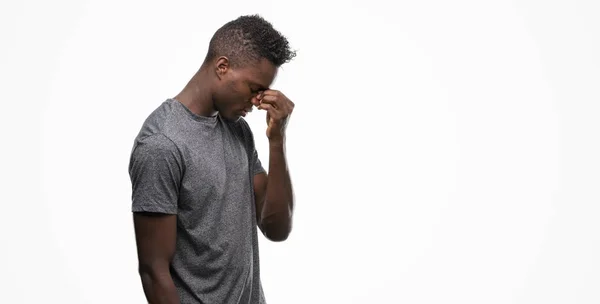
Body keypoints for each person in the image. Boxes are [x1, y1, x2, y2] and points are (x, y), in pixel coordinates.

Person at [128, 14, 296, 304]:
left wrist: (277, 139)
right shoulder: (162, 144)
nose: (258, 102)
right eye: (254, 89)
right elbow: (154, 274)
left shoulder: (238, 131)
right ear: (222, 67)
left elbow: (276, 228)